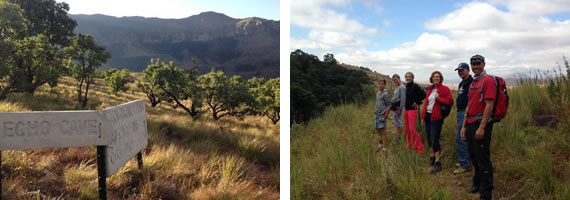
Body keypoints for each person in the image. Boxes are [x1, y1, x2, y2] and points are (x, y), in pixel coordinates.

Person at [460, 54, 496, 200]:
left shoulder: (487, 80)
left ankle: (486, 194)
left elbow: (489, 104)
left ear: (484, 64)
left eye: (478, 64)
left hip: (481, 124)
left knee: (483, 159)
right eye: (473, 64)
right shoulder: (474, 82)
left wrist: (482, 127)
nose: (475, 66)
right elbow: (469, 105)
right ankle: (477, 184)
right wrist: (463, 126)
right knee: (474, 157)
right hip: (469, 124)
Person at [421, 71, 453, 174]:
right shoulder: (430, 89)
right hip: (428, 116)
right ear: (431, 78)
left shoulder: (444, 89)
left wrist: (440, 99)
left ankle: (438, 162)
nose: (435, 78)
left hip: (437, 117)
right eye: (434, 76)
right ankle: (432, 156)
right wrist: (423, 117)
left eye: (437, 77)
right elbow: (426, 104)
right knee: (429, 137)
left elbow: (450, 101)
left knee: (435, 138)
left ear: (440, 78)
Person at [454, 63, 473, 175]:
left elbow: (471, 100)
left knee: (460, 138)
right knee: (464, 137)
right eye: (459, 71)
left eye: (462, 70)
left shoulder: (471, 82)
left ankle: (464, 165)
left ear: (468, 70)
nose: (460, 72)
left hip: (466, 113)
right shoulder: (462, 83)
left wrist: (466, 113)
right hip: (460, 113)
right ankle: (465, 161)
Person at [403, 72, 425, 153]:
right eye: (407, 77)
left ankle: (420, 147)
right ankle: (410, 145)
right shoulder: (406, 86)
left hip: (412, 110)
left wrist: (416, 102)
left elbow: (423, 94)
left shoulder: (415, 86)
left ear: (412, 78)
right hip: (406, 110)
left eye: (410, 77)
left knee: (412, 129)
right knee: (407, 129)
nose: (408, 78)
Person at [375, 79, 391, 152]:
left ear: (384, 85)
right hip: (377, 115)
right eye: (379, 84)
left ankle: (385, 148)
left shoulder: (385, 94)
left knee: (383, 132)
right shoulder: (378, 93)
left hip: (382, 115)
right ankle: (381, 143)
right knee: (378, 130)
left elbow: (389, 105)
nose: (380, 85)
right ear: (377, 85)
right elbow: (378, 103)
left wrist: (385, 116)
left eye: (382, 84)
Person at [391, 74, 406, 143]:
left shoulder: (402, 87)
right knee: (397, 123)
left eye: (396, 79)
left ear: (399, 78)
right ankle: (398, 137)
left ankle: (399, 139)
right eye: (394, 80)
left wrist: (400, 109)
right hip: (395, 107)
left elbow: (403, 99)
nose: (395, 81)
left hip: (398, 107)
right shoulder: (398, 87)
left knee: (399, 123)